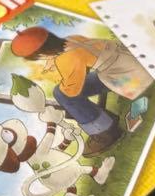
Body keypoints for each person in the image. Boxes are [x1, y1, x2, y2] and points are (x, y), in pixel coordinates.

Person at [10, 26, 126, 155]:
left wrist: (64, 81)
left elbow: (71, 92)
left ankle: (105, 132)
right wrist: (55, 61)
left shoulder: (66, 58)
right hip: (120, 66)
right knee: (60, 92)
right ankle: (106, 119)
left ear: (42, 54)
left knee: (64, 96)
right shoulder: (72, 39)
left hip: (124, 78)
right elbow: (81, 59)